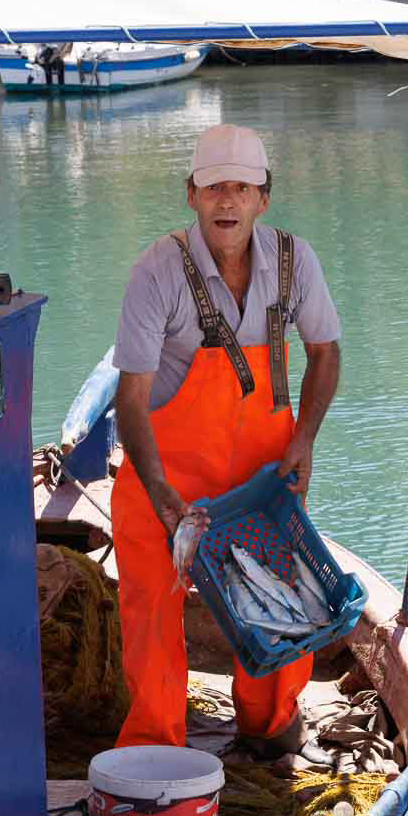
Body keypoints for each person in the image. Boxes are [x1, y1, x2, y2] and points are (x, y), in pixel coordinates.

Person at [111, 124, 341, 763]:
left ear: (264, 197)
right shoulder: (157, 271)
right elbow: (129, 399)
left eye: (242, 188)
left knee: (279, 601)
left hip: (263, 477)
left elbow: (326, 353)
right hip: (166, 475)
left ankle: (268, 731)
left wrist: (304, 441)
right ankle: (157, 750)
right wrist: (159, 491)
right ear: (191, 193)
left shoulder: (296, 262)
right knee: (153, 616)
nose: (227, 202)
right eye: (214, 188)